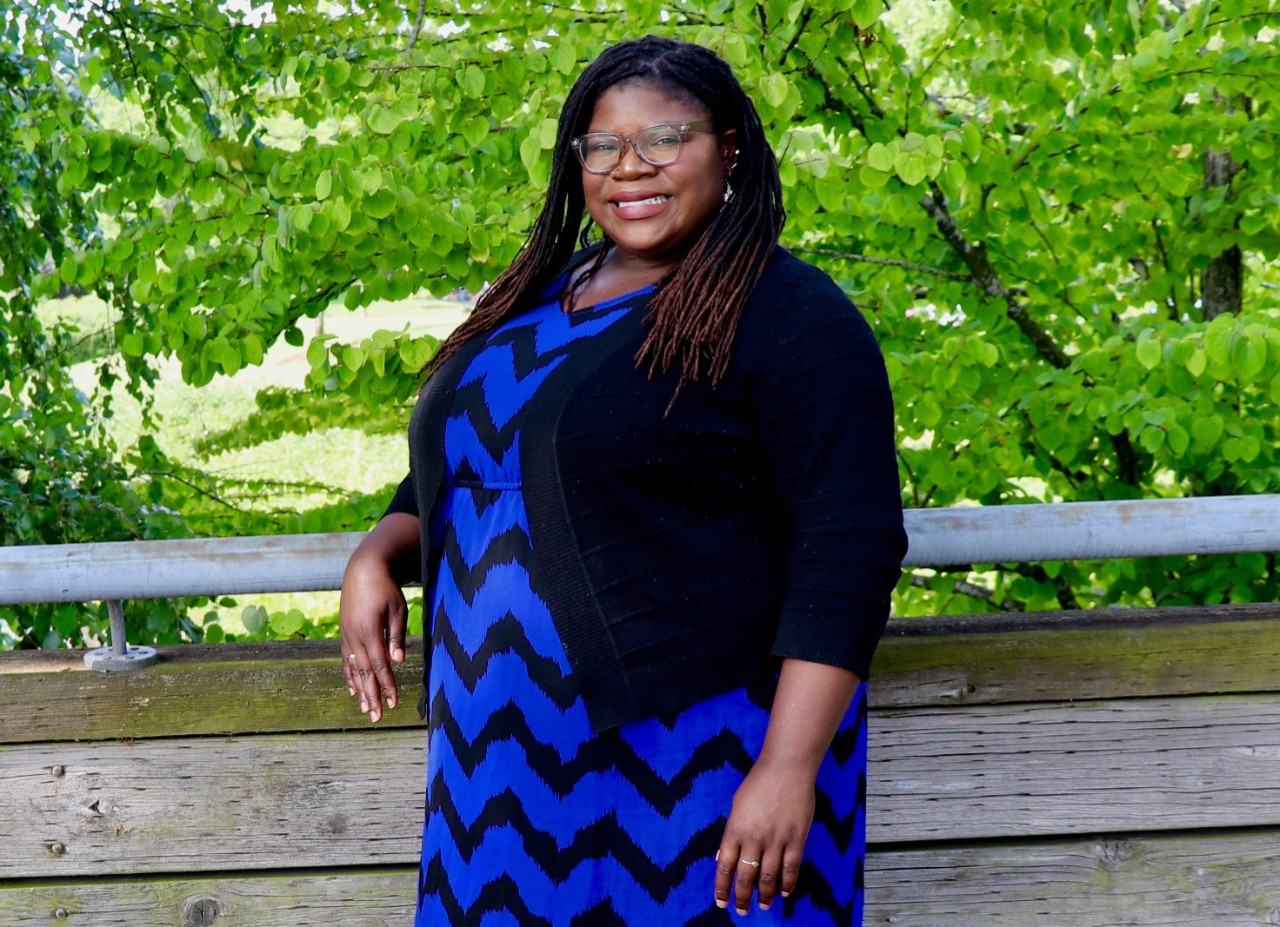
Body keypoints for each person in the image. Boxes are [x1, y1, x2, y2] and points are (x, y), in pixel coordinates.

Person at [338, 34, 907, 926]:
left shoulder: (790, 315)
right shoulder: (538, 294)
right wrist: (380, 550)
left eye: (665, 139)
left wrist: (790, 766)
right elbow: (485, 459)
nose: (628, 168)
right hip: (496, 765)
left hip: (699, 758)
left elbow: (851, 548)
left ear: (731, 148)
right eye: (601, 146)